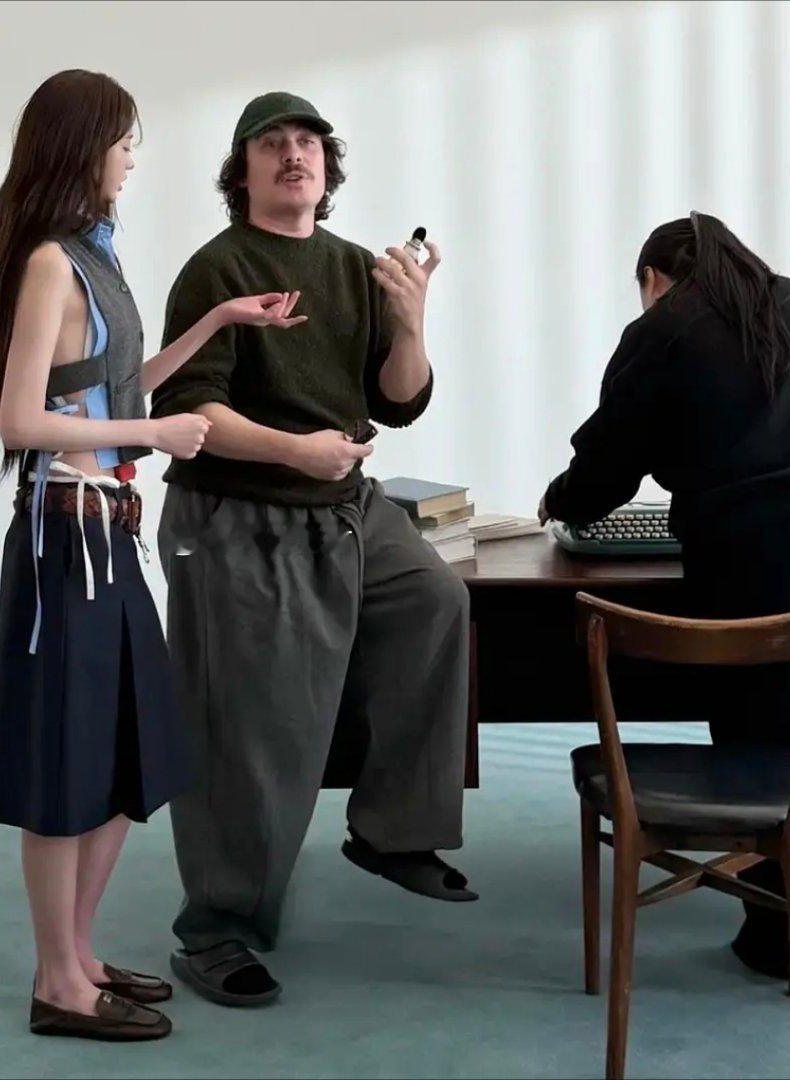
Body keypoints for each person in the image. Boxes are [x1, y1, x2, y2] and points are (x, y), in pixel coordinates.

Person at [0, 70, 305, 1040]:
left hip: (106, 538)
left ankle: (79, 955)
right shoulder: (49, 262)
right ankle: (57, 983)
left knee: (127, 757)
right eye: (123, 140)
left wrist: (216, 323)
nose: (131, 157)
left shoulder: (92, 255)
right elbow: (20, 419)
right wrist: (155, 435)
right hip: (64, 542)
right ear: (83, 146)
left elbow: (116, 389)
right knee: (65, 771)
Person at [151, 91, 476, 1007]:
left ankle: (391, 832)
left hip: (344, 501)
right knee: (250, 724)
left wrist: (410, 318)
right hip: (240, 510)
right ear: (242, 171)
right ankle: (217, 928)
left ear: (327, 168)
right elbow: (190, 412)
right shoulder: (216, 268)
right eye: (271, 144)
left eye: (307, 143)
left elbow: (399, 400)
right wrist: (295, 450)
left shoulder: (350, 266)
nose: (293, 155)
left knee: (433, 601)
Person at [540, 211, 790, 980]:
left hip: (744, 571)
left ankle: (773, 934)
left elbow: (606, 465)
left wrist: (561, 499)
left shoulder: (662, 330)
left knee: (755, 736)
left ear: (653, 280)